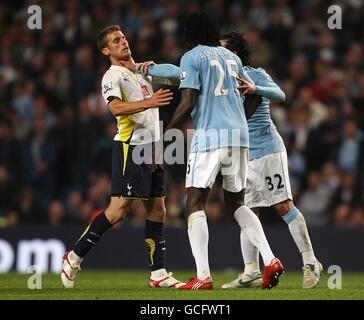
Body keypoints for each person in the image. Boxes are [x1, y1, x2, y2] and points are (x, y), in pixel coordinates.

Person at [163, 12, 284, 290]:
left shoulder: (192, 57)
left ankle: (203, 276)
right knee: (236, 203)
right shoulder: (233, 58)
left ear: (191, 33)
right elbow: (253, 92)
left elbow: (187, 100)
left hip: (210, 136)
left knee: (194, 202)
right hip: (239, 136)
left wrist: (165, 135)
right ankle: (271, 259)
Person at [61, 25, 184, 289]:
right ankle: (73, 257)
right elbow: (115, 108)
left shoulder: (141, 71)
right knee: (118, 211)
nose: (124, 42)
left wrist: (155, 69)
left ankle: (158, 273)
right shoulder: (112, 75)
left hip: (152, 147)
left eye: (124, 38)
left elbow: (179, 78)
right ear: (107, 50)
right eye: (116, 41)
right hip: (131, 146)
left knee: (158, 209)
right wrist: (149, 103)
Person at [219, 31, 323, 289]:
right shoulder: (220, 82)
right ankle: (251, 271)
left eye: (223, 49)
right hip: (244, 154)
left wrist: (255, 89)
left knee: (283, 205)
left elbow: (280, 95)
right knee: (248, 212)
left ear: (236, 53)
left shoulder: (254, 73)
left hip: (267, 150)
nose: (219, 55)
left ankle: (311, 262)